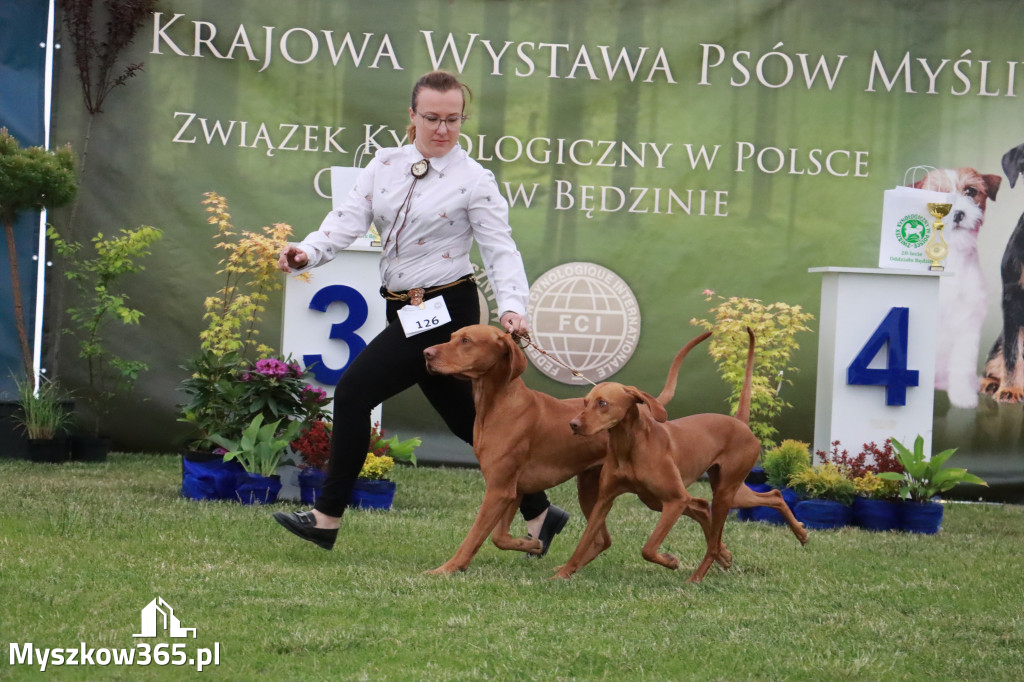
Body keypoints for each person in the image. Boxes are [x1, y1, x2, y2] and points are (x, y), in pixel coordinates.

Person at [273, 70, 568, 555]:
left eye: (453, 119)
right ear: (412, 116)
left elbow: (500, 250)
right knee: (465, 418)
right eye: (432, 118)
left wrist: (513, 308)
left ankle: (325, 518)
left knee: (351, 394)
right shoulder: (384, 165)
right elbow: (346, 220)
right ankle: (540, 512)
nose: (443, 129)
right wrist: (308, 252)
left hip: (445, 309)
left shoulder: (475, 180)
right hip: (403, 307)